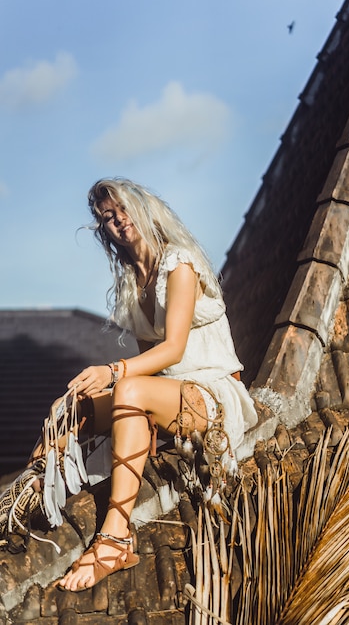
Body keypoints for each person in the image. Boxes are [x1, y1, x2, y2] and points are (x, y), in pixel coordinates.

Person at [48, 177, 258, 591]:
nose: (118, 220)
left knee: (124, 388)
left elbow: (173, 350)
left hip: (212, 392)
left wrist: (111, 373)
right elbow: (150, 370)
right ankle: (37, 498)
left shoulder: (178, 263)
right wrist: (101, 392)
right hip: (167, 396)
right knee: (68, 410)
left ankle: (115, 536)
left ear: (143, 209)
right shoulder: (132, 281)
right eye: (108, 217)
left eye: (123, 209)